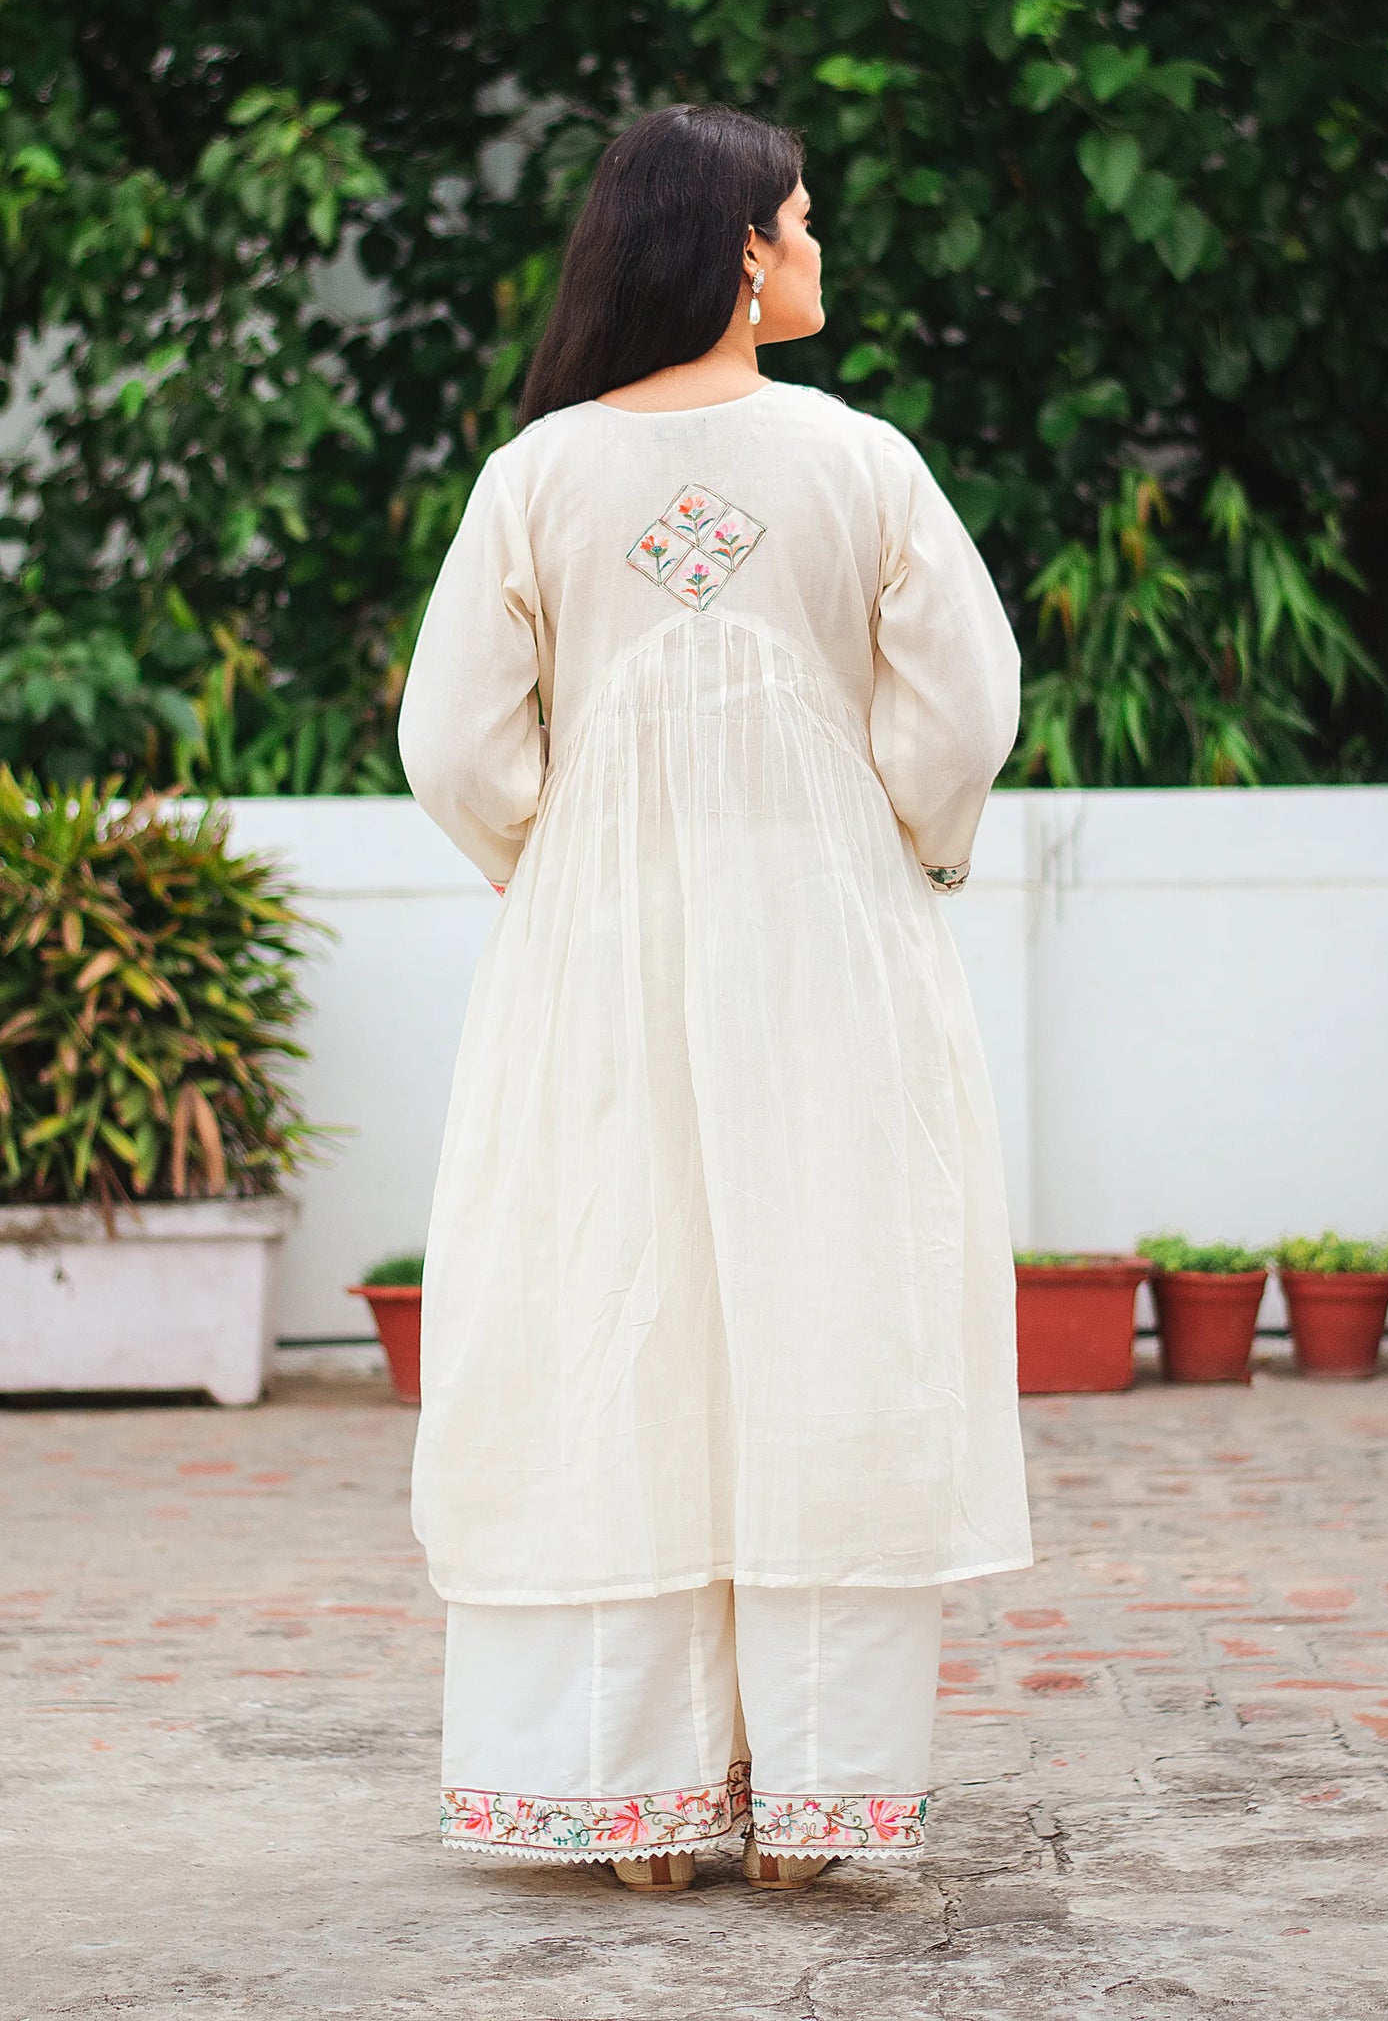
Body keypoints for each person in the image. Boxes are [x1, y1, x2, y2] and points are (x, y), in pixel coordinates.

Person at [396, 103, 1031, 1894]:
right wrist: (895, 838)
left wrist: (557, 857)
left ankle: (634, 1802)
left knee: (613, 1319)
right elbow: (964, 710)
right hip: (832, 963)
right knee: (829, 1321)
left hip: (593, 969)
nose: (821, 252)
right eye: (806, 223)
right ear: (744, 251)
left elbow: (447, 739)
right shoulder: (861, 463)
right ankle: (812, 1797)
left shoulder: (536, 475)